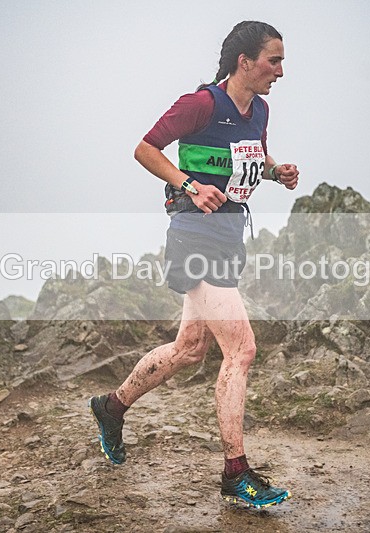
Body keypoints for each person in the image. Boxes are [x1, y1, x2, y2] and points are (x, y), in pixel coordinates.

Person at [89, 20, 299, 509]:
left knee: (188, 350)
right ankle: (236, 473)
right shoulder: (201, 104)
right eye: (274, 60)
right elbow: (145, 149)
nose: (281, 71)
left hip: (228, 234)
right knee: (241, 350)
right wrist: (188, 185)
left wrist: (275, 170)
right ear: (244, 61)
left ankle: (111, 407)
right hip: (194, 235)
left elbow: (247, 159)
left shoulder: (260, 109)